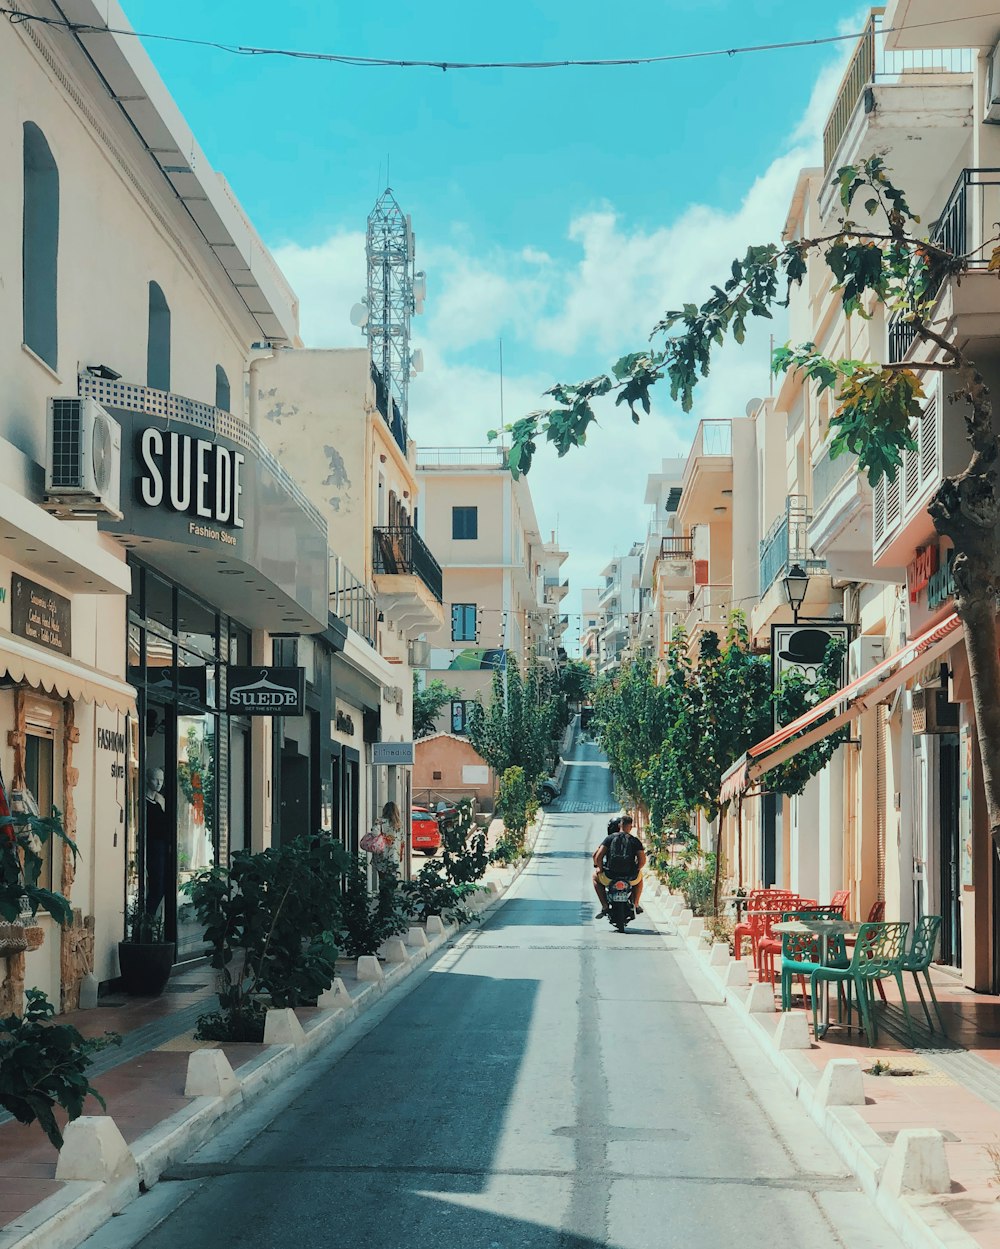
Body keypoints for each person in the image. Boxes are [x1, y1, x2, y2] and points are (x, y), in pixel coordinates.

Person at [592, 814, 646, 919]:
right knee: (640, 879)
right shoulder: (635, 841)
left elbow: (598, 857)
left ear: (620, 825)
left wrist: (600, 868)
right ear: (631, 827)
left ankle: (604, 906)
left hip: (610, 877)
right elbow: (642, 861)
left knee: (595, 877)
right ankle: (636, 904)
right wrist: (636, 869)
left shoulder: (610, 838)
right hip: (630, 878)